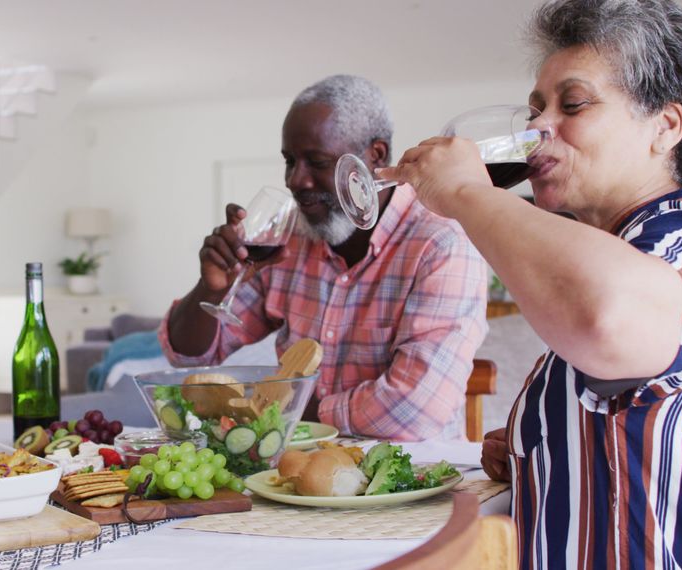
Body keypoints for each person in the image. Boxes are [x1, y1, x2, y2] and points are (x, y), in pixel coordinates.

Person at [379, 0, 682, 566]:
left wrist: (467, 194)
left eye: (572, 103)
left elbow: (606, 317)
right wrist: (538, 445)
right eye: (535, 108)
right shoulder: (618, 251)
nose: (537, 127)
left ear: (665, 126)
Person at [159, 75, 489, 441]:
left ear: (375, 156)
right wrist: (213, 287)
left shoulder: (441, 243)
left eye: (316, 162)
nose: (296, 180)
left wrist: (281, 404)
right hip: (291, 471)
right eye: (289, 161)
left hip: (410, 480)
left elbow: (414, 410)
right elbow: (188, 355)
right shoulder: (290, 236)